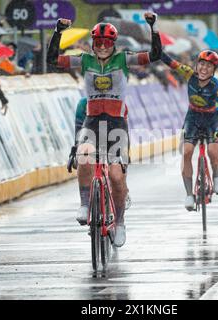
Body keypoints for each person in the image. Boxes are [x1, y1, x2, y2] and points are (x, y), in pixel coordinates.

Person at [47, 12, 161, 247]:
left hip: (117, 123)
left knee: (117, 176)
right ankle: (84, 204)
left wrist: (154, 28)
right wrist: (57, 32)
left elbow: (155, 55)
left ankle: (119, 222)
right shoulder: (84, 60)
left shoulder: (123, 59)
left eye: (106, 43)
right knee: (84, 155)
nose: (101, 47)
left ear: (113, 44)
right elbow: (52, 60)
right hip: (92, 120)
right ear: (92, 44)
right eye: (97, 43)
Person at [159, 49, 218, 211]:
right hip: (193, 117)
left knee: (213, 151)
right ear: (196, 65)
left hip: (212, 120)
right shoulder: (189, 74)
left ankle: (216, 176)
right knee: (187, 152)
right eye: (201, 64)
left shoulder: (217, 86)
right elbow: (172, 63)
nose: (204, 69)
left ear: (214, 70)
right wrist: (158, 51)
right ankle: (189, 194)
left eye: (209, 66)